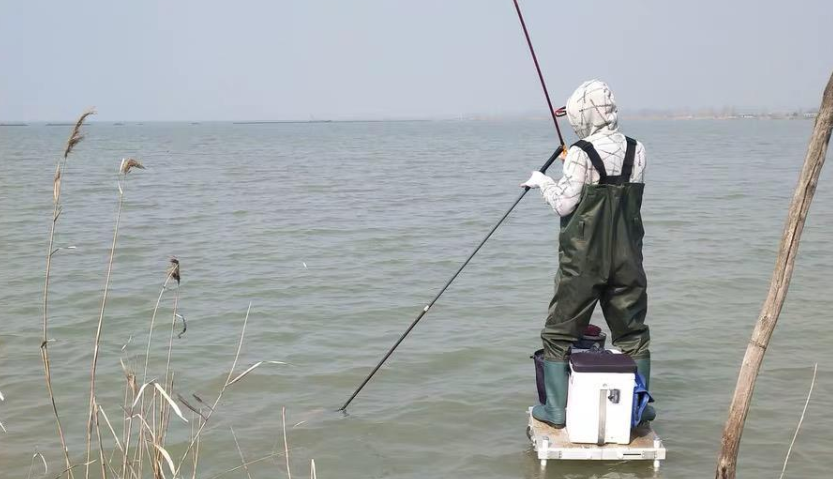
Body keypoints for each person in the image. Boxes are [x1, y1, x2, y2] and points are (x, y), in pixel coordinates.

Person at [521, 79, 654, 428]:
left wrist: (542, 181)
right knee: (632, 333)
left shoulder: (580, 152)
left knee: (558, 333)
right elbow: (613, 183)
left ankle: (554, 410)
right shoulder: (638, 149)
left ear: (584, 113)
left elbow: (565, 204)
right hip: (628, 257)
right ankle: (641, 409)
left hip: (583, 262)